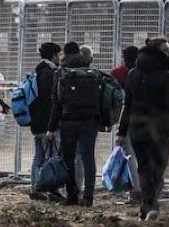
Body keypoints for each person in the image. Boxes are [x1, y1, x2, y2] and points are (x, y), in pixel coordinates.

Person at [116, 38, 169, 221]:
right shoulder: (166, 76)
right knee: (157, 170)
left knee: (144, 169)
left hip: (137, 130)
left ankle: (147, 206)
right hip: (160, 131)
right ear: (157, 52)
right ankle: (150, 205)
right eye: (167, 50)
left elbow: (128, 105)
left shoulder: (133, 74)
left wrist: (122, 131)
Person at [46, 42, 101, 207]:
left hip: (69, 121)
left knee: (68, 159)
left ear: (64, 54)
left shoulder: (61, 72)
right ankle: (89, 197)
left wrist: (50, 127)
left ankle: (72, 196)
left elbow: (56, 103)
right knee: (88, 158)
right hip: (90, 121)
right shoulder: (92, 72)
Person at [28, 42, 64, 201]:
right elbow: (51, 102)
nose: (61, 58)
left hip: (37, 123)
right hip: (47, 124)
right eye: (59, 55)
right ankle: (50, 189)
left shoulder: (39, 71)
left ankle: (35, 186)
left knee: (39, 156)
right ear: (53, 55)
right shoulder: (50, 74)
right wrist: (52, 124)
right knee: (52, 157)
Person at [109, 44, 143, 203]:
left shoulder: (118, 73)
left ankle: (136, 191)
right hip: (146, 119)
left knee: (130, 155)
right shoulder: (143, 74)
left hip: (126, 118)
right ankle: (144, 188)